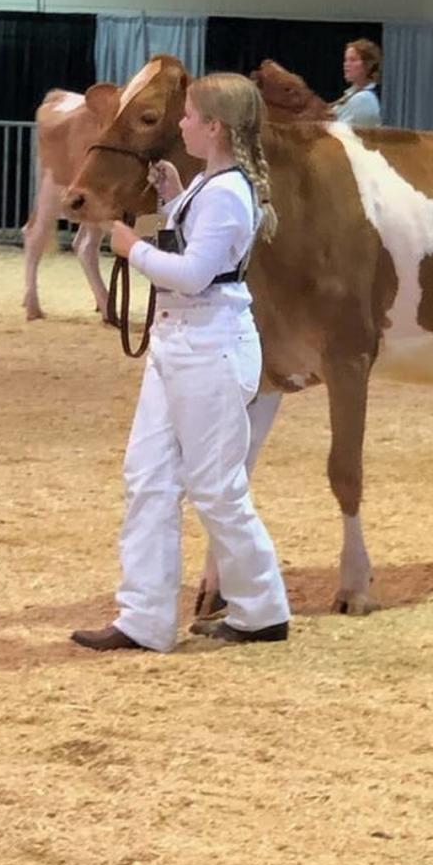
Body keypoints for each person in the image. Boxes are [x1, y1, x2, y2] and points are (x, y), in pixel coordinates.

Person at [71, 72, 291, 653]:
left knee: (216, 487)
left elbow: (194, 274)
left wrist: (131, 248)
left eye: (190, 116)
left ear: (215, 127)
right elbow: (196, 250)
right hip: (181, 345)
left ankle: (263, 608)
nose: (182, 125)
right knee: (147, 478)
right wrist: (170, 198)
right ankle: (143, 616)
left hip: (209, 347)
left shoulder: (225, 191)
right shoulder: (208, 185)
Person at [331, 38, 382, 127]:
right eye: (346, 60)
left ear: (368, 65)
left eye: (353, 60)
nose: (346, 64)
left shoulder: (364, 99)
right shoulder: (351, 94)